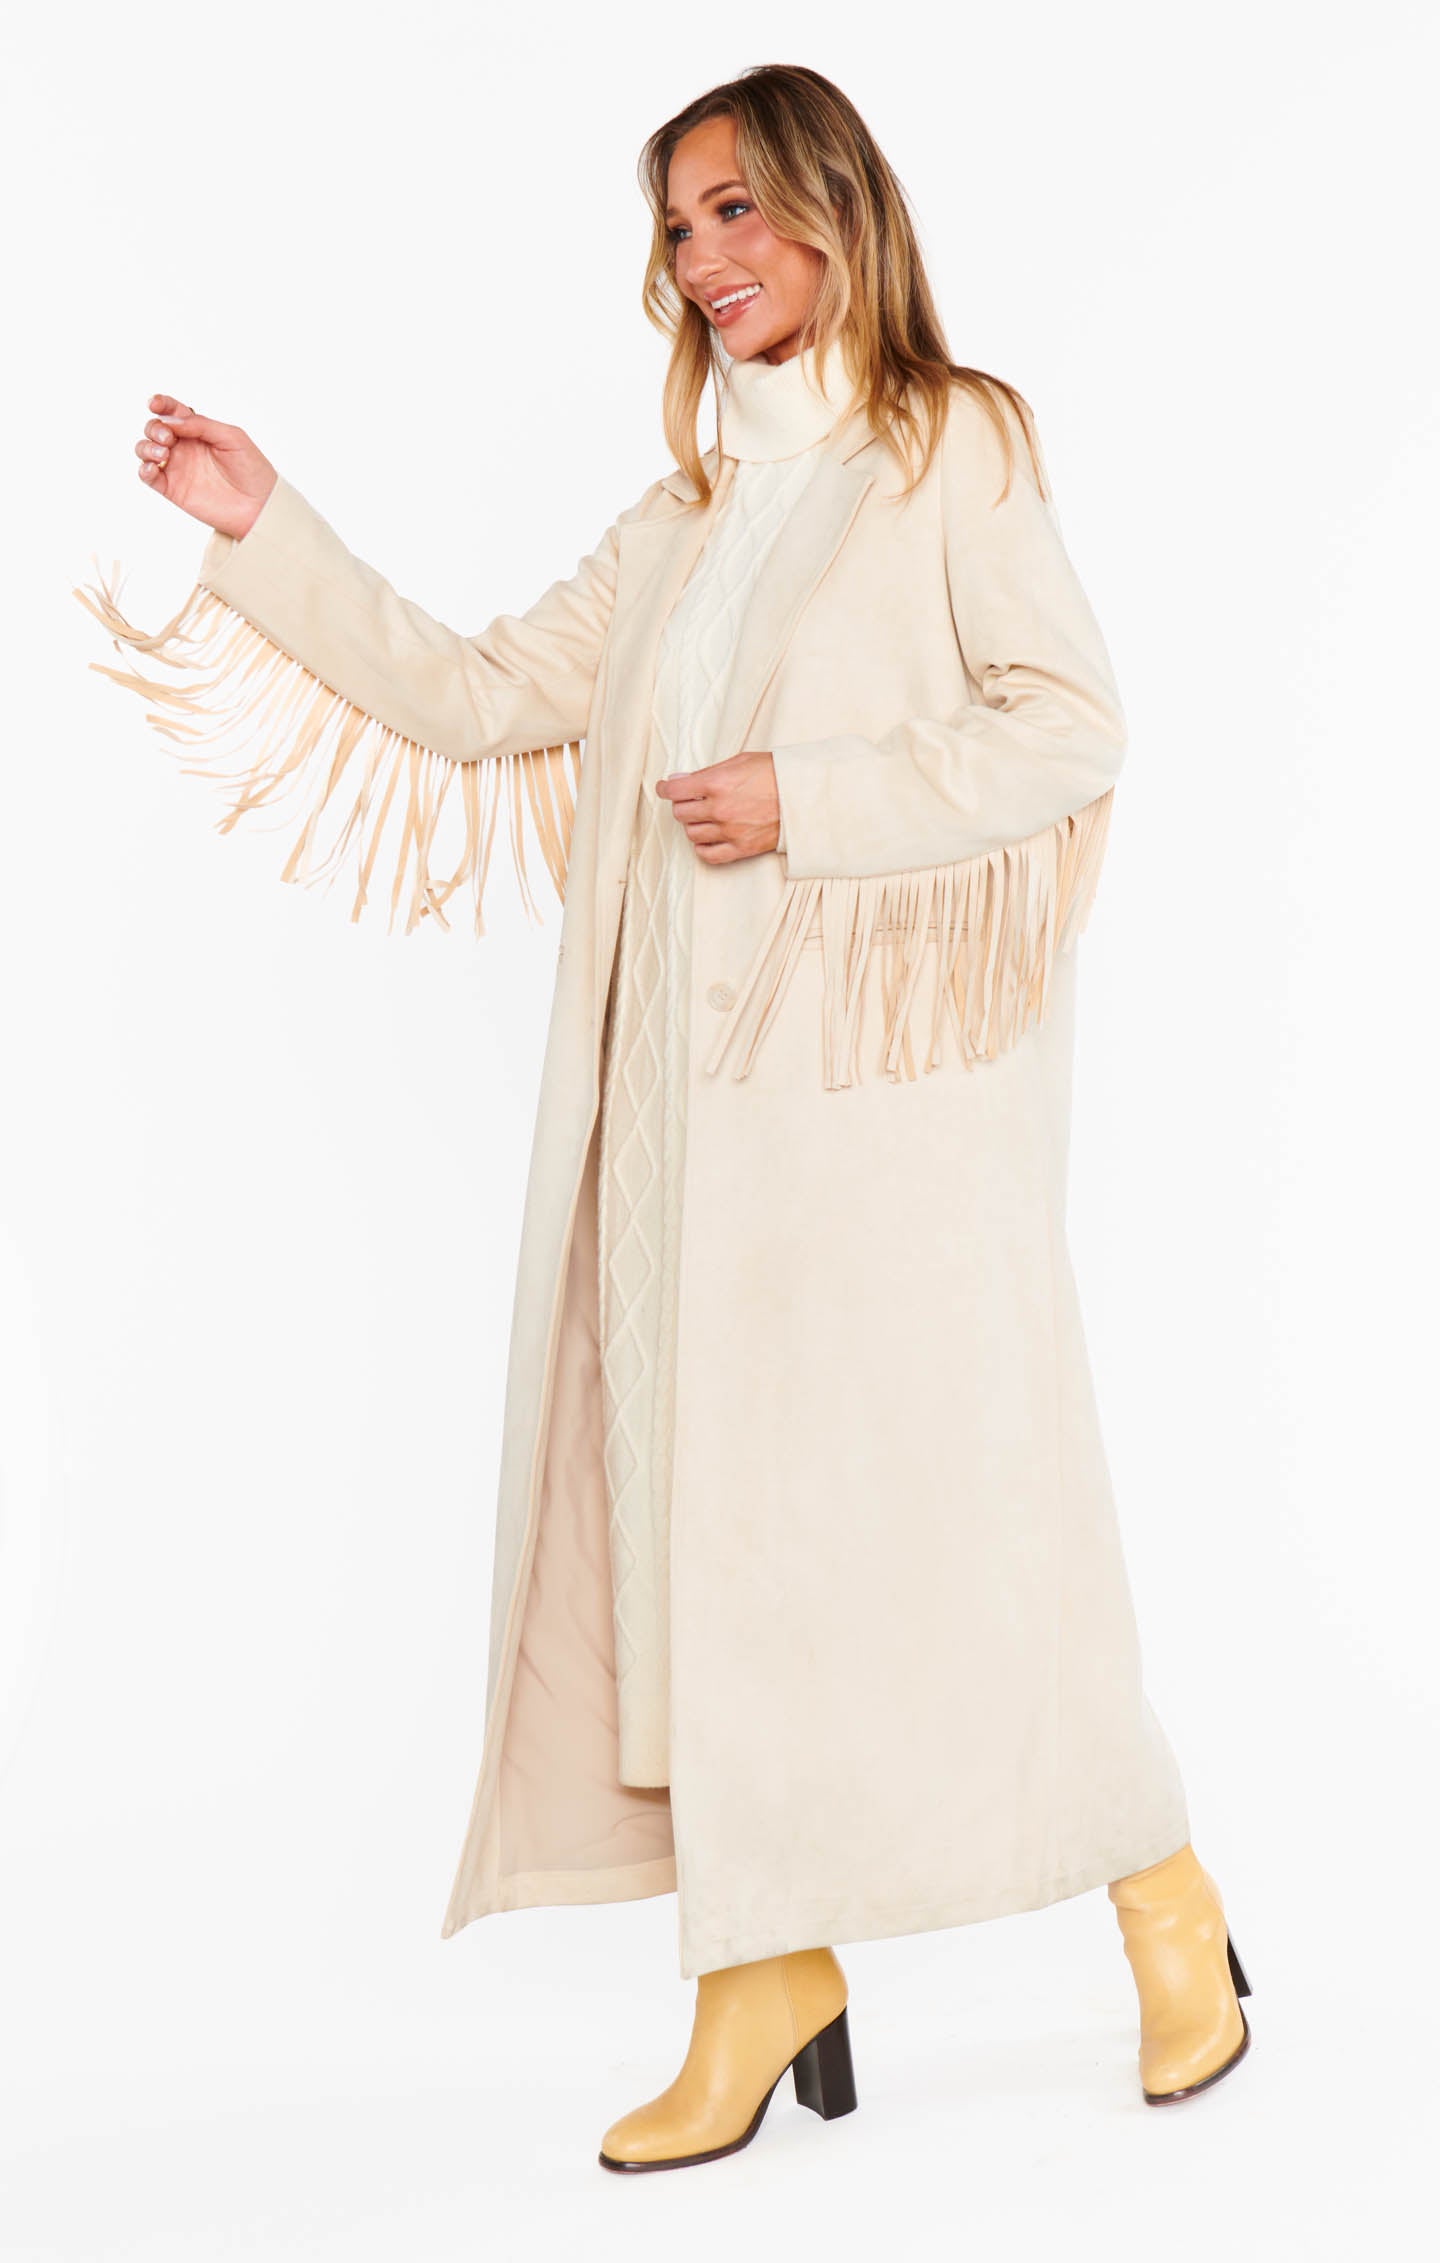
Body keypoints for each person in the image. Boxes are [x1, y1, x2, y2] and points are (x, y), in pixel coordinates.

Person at [75, 63, 1253, 2174]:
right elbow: (472, 694)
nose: (706, 260)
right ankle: (759, 1973)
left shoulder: (951, 447)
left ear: (833, 207)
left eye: (737, 211)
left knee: (977, 1528)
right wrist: (266, 521)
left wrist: (812, 799)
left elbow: (1071, 727)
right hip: (686, 1150)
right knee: (718, 1555)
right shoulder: (685, 519)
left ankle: (1166, 1901)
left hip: (890, 1137)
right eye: (682, 227)